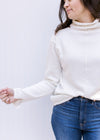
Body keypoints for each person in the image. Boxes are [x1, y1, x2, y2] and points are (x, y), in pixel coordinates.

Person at [0, 0, 100, 139]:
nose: (65, 5)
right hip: (65, 112)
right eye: (64, 1)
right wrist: (17, 94)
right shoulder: (60, 37)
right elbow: (50, 82)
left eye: (70, 0)